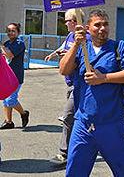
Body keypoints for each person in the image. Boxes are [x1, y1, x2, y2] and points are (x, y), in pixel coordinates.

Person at [59, 9, 124, 177]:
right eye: (98, 25)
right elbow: (64, 69)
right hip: (83, 124)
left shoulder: (119, 47)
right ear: (88, 28)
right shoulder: (82, 49)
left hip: (111, 124)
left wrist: (104, 78)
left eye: (106, 24)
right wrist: (75, 44)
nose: (103, 28)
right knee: (75, 172)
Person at [47, 9, 91, 165]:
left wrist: (69, 56)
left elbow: (86, 60)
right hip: (69, 82)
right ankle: (85, 146)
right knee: (76, 118)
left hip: (80, 84)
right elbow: (65, 50)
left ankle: (64, 153)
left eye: (66, 21)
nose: (64, 24)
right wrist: (57, 54)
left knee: (67, 117)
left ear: (74, 22)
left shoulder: (87, 38)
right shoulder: (70, 36)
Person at [0, 23, 29, 129]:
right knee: (5, 98)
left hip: (16, 76)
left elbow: (10, 55)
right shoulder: (7, 43)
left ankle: (23, 113)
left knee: (11, 99)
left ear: (18, 32)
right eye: (8, 30)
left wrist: (1, 45)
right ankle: (9, 122)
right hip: (6, 75)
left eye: (13, 31)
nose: (10, 33)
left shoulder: (19, 43)